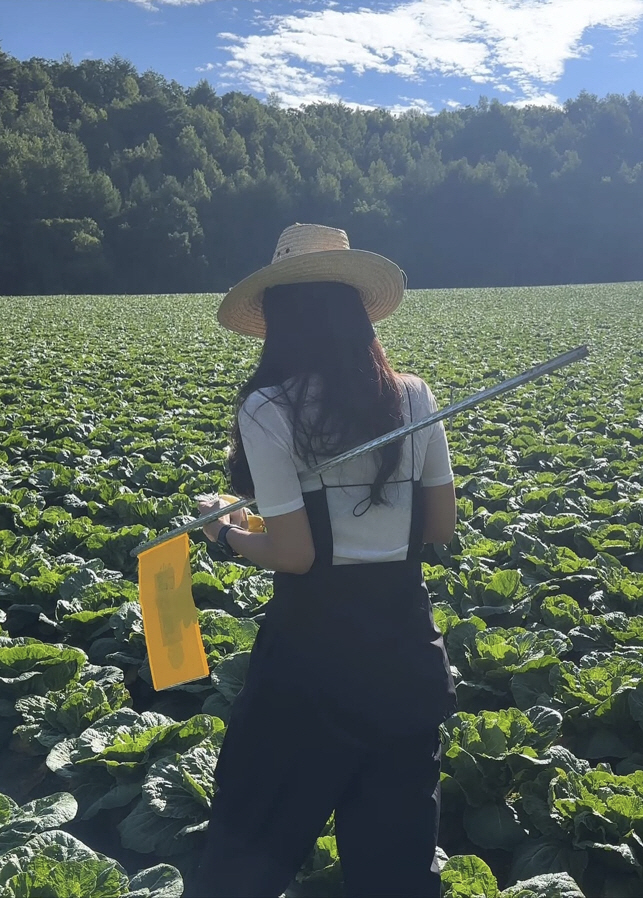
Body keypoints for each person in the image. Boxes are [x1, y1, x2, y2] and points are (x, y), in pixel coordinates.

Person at [191, 223, 458, 898]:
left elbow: (296, 555)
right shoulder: (413, 396)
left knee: (248, 852)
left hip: (311, 665)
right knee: (396, 870)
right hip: (405, 655)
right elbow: (438, 526)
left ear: (279, 317)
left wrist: (226, 532)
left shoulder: (269, 406)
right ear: (354, 310)